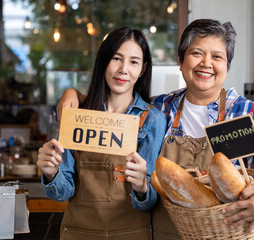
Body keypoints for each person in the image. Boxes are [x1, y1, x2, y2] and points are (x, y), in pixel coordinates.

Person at [56, 19, 254, 239]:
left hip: (230, 233)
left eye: (217, 56)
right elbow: (117, 100)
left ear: (227, 65)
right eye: (197, 53)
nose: (206, 63)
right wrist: (74, 95)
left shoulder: (248, 113)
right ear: (181, 61)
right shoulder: (159, 108)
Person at [37, 27, 167, 240]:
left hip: (132, 234)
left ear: (142, 69)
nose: (123, 69)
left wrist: (142, 185)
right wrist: (51, 172)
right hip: (78, 233)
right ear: (103, 61)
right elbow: (62, 192)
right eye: (116, 58)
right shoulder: (77, 114)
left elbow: (151, 202)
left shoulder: (153, 120)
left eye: (133, 62)